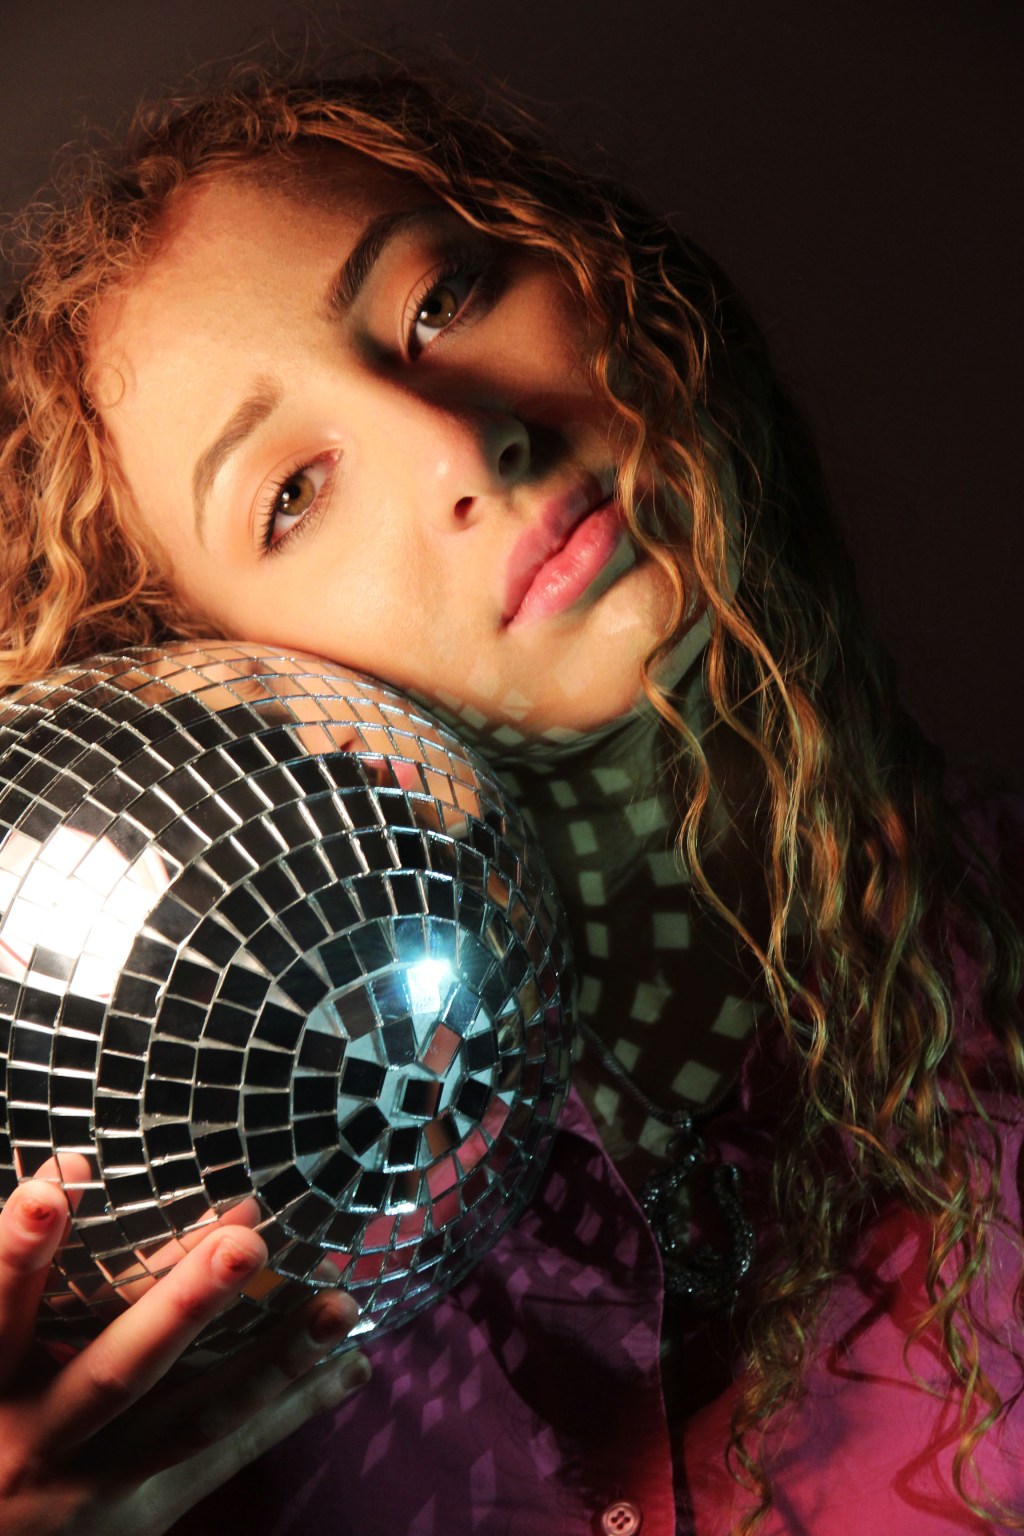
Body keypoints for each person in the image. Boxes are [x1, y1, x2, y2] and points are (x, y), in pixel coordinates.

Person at [0, 55, 1021, 1536]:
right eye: (291, 494)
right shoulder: (172, 1280)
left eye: (439, 302)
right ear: (216, 671)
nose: (460, 445)